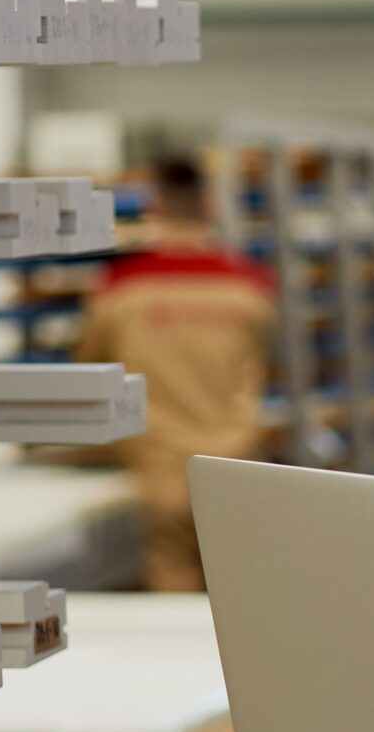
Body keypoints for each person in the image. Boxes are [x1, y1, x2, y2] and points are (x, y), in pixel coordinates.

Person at [74, 156, 275, 591]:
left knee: (177, 613)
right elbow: (263, 365)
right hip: (234, 467)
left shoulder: (121, 289)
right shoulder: (249, 287)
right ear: (209, 206)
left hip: (162, 470)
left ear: (157, 206)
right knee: (241, 603)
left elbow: (88, 375)